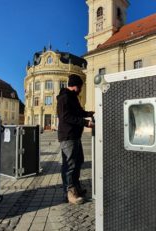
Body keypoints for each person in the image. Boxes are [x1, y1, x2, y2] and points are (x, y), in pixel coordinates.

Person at [57, 74, 94, 205]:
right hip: (68, 136)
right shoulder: (64, 97)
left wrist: (90, 113)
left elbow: (79, 112)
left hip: (75, 136)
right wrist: (85, 123)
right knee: (70, 165)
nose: (82, 90)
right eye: (81, 87)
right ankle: (69, 193)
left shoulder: (73, 97)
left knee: (78, 161)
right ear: (76, 86)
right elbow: (66, 117)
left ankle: (76, 187)